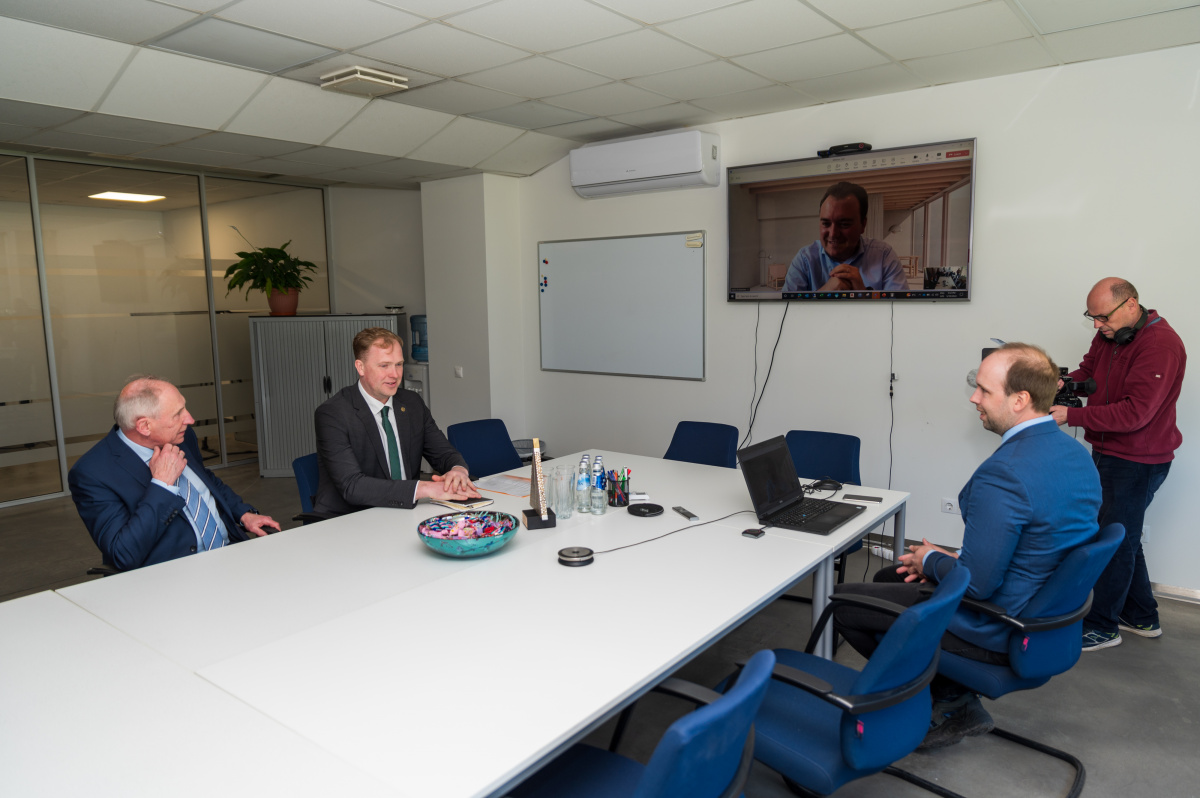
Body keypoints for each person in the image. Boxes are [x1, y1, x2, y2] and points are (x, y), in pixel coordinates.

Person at [833, 344, 1100, 749]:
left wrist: (932, 559)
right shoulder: (1075, 453)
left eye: (984, 390)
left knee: (845, 604)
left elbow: (977, 586)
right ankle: (951, 696)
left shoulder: (1005, 473)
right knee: (891, 575)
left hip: (998, 623)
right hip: (1044, 611)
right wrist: (950, 559)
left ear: (1019, 400)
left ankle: (943, 703)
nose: (974, 398)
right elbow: (1039, 540)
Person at [1050, 278, 1186, 651]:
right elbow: (1089, 374)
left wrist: (1071, 416)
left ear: (1131, 304)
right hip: (1109, 451)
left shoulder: (1160, 346)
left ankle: (1102, 626)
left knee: (1112, 540)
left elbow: (1135, 413)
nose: (1097, 325)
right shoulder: (1110, 334)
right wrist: (1061, 384)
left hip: (1138, 460)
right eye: (1091, 318)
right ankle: (1141, 616)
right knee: (1122, 535)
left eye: (1102, 318)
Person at [69, 376, 280, 572]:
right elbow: (122, 554)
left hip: (230, 554)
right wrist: (162, 485)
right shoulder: (92, 473)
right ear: (144, 426)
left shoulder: (181, 436)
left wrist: (243, 514)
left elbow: (206, 481)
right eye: (178, 414)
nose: (190, 419)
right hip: (172, 576)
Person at [313, 327, 480, 516]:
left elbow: (444, 453)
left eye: (399, 364)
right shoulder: (333, 414)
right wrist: (425, 488)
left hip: (404, 511)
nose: (394, 374)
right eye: (384, 366)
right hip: (352, 517)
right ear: (360, 367)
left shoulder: (412, 403)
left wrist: (457, 471)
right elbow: (352, 486)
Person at [782, 181, 908, 293]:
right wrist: (822, 294)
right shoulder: (804, 260)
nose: (833, 234)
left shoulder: (884, 256)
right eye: (826, 223)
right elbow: (785, 309)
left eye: (844, 224)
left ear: (863, 225)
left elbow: (901, 310)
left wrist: (863, 294)